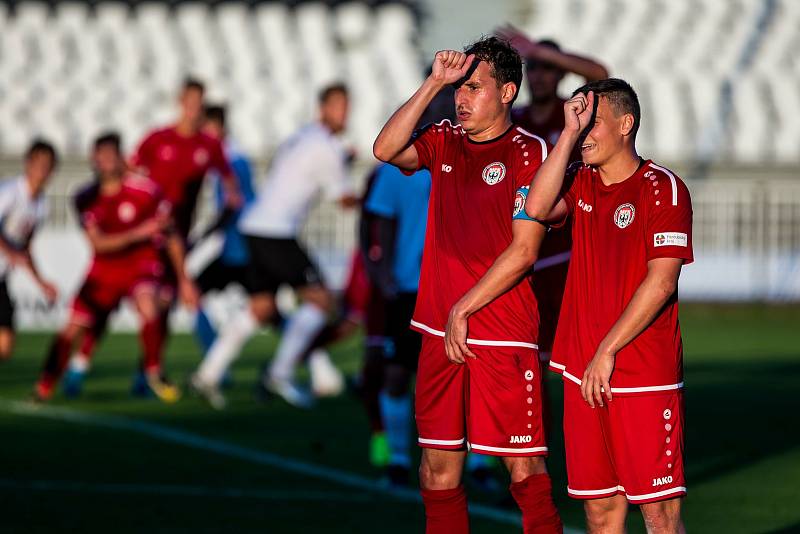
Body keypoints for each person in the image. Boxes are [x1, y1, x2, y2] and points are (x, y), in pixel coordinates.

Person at [449, 79, 692, 532]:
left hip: (640, 373)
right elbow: (536, 208)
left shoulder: (663, 189)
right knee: (599, 511)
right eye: (580, 125)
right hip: (583, 371)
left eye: (593, 123)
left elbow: (661, 283)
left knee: (659, 512)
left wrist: (608, 351)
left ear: (626, 124)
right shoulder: (580, 184)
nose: (585, 135)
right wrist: (567, 134)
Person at [373, 37, 562, 533]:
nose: (461, 97)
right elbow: (385, 148)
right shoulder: (445, 138)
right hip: (439, 330)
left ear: (507, 92)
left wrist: (465, 307)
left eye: (473, 87)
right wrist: (433, 80)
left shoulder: (529, 152)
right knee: (437, 469)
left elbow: (524, 252)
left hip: (501, 331)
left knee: (523, 469)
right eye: (459, 87)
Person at [69, 79, 240, 397]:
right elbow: (128, 172)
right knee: (106, 306)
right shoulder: (157, 138)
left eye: (199, 103)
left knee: (161, 309)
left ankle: (145, 374)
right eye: (189, 101)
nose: (193, 109)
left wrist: (213, 227)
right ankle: (79, 366)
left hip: (175, 240)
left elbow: (232, 193)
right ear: (180, 102)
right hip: (142, 239)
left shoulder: (208, 146)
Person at [191, 83, 357, 409]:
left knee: (261, 308)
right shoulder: (326, 146)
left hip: (256, 226)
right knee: (322, 300)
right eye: (338, 106)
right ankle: (279, 374)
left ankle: (207, 375)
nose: (345, 113)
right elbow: (345, 200)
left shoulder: (302, 137)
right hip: (275, 232)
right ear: (322, 108)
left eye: (347, 106)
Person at [34, 133, 198, 402]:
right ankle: (45, 384)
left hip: (141, 265)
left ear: (121, 158)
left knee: (150, 304)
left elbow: (171, 235)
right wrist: (140, 232)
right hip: (104, 271)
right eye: (102, 156)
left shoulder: (145, 191)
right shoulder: (84, 198)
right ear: (93, 160)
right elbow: (98, 245)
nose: (107, 162)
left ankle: (153, 371)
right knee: (73, 329)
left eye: (112, 156)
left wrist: (184, 278)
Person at [499, 25, 609, 365]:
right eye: (532, 67)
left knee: (577, 355)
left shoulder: (576, 115)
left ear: (560, 72)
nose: (539, 75)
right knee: (526, 358)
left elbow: (600, 74)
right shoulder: (514, 120)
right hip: (523, 249)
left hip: (569, 251)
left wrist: (538, 50)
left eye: (547, 67)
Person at [192, 104, 256, 354]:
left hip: (242, 246)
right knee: (193, 293)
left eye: (205, 129)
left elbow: (234, 204)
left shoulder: (231, 159)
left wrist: (203, 235)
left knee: (266, 308)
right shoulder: (230, 156)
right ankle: (213, 364)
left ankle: (213, 361)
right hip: (237, 244)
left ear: (217, 127)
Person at [0, 140, 59, 360]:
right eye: (39, 164)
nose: (42, 170)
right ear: (28, 164)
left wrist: (41, 282)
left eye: (48, 166)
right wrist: (9, 252)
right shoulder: (9, 192)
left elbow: (25, 249)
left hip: (1, 276)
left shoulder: (41, 205)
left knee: (5, 347)